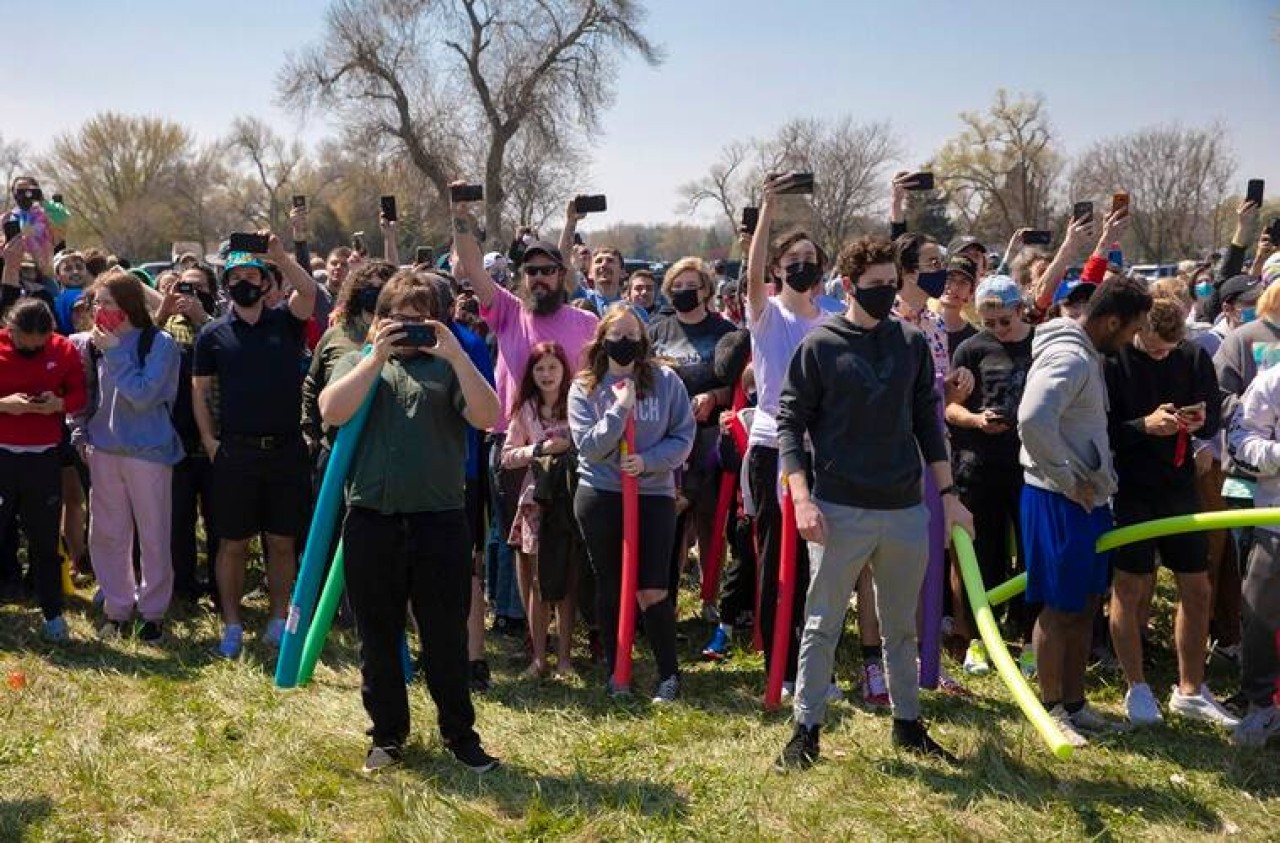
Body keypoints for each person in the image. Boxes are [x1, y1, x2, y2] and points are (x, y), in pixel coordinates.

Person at [775, 235, 973, 771]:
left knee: (901, 625)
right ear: (847, 287)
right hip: (838, 507)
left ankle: (908, 724)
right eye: (875, 286)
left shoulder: (909, 342)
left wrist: (949, 497)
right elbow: (790, 425)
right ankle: (805, 731)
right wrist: (801, 498)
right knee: (823, 623)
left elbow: (927, 425)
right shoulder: (820, 346)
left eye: (892, 284)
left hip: (905, 507)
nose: (887, 293)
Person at [319, 271, 501, 774]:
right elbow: (331, 411)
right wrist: (376, 356)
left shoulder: (448, 369)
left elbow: (488, 416)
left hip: (439, 521)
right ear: (378, 322)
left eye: (420, 319)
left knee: (445, 636)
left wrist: (458, 356)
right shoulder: (360, 361)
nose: (408, 329)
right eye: (397, 318)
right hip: (371, 519)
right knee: (377, 637)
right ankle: (387, 736)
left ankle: (460, 735)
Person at [1018, 275, 1153, 747]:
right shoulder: (1069, 356)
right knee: (1059, 607)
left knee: (1085, 604)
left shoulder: (1089, 354)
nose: (1133, 339)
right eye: (1132, 329)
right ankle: (1052, 707)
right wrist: (1066, 478)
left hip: (1087, 499)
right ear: (1112, 320)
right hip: (1058, 499)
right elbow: (1032, 419)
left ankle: (1075, 705)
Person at [1104, 295, 1236, 727]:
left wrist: (1199, 424)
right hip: (1131, 487)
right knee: (1131, 585)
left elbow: (1213, 414)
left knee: (1197, 588)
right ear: (1138, 329)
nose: (1163, 355)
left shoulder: (1192, 353)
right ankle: (1137, 688)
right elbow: (1102, 434)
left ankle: (1190, 689)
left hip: (1179, 484)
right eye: (1156, 348)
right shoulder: (1115, 358)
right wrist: (1145, 425)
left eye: (1170, 349)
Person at [192, 234, 318, 658]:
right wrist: (209, 440)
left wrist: (280, 256)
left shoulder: (288, 320)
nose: (244, 281)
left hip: (285, 450)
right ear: (225, 284)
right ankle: (231, 623)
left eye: (253, 274)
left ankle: (279, 618)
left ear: (267, 282)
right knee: (232, 543)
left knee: (282, 541)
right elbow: (200, 390)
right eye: (236, 275)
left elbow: (310, 292)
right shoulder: (212, 334)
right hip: (235, 453)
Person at [569, 306, 695, 702]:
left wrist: (648, 462)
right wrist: (619, 409)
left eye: (631, 336)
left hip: (653, 494)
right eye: (615, 335)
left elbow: (683, 436)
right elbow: (588, 447)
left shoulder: (666, 381)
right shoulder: (585, 387)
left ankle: (669, 674)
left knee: (651, 586)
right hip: (601, 493)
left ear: (643, 341)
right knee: (610, 585)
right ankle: (616, 673)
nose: (623, 343)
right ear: (602, 340)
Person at [744, 174, 832, 699]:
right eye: (791, 257)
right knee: (780, 559)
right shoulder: (767, 313)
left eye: (810, 257)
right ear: (779, 269)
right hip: (774, 446)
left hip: (824, 449)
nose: (802, 263)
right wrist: (768, 208)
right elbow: (752, 275)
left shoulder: (835, 317)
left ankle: (815, 659)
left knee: (821, 561)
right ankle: (781, 660)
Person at [70, 269, 183, 641]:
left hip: (148, 452)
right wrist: (81, 436)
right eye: (96, 302)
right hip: (102, 450)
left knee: (153, 535)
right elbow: (84, 396)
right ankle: (117, 608)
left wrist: (116, 353)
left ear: (129, 304)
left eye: (107, 302)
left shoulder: (158, 342)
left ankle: (153, 613)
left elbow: (143, 395)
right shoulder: (90, 344)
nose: (99, 309)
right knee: (106, 535)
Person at [946, 276, 1036, 678]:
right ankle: (980, 640)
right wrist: (978, 420)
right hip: (980, 462)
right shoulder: (971, 349)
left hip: (1031, 465)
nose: (998, 330)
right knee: (980, 556)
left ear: (1020, 309)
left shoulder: (1042, 343)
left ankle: (1033, 640)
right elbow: (949, 409)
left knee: (1035, 554)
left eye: (1004, 320)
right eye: (989, 322)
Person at [647, 257, 736, 618]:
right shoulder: (658, 329)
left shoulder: (725, 331)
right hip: (666, 439)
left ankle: (710, 597)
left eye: (692, 287)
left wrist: (714, 397)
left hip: (710, 438)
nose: (684, 293)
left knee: (710, 519)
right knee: (670, 521)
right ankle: (663, 598)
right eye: (677, 287)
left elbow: (740, 385)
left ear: (706, 290)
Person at [0, 296, 88, 639]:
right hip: (3, 454)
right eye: (25, 345)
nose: (32, 351)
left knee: (46, 539)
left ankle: (53, 615)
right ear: (11, 329)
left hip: (43, 457)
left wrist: (59, 403)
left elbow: (81, 394)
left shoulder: (63, 349)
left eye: (39, 346)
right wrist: (5, 404)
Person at [500, 342, 581, 679]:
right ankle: (539, 658)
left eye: (553, 367)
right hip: (536, 501)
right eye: (540, 369)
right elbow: (507, 455)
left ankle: (564, 659)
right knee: (536, 580)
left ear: (564, 370)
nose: (547, 375)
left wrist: (570, 446)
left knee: (567, 579)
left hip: (570, 498)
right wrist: (539, 449)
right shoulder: (526, 410)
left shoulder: (578, 404)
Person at [154, 265, 219, 604]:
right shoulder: (166, 324)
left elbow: (227, 350)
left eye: (197, 287)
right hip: (175, 436)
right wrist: (162, 311)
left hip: (214, 437)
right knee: (178, 519)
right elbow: (141, 348)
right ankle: (183, 587)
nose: (188, 293)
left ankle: (221, 586)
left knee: (218, 520)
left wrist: (202, 318)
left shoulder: (220, 320)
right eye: (183, 286)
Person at [1226, 365, 1280, 747]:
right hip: (1274, 520)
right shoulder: (1272, 381)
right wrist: (1277, 455)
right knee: (1259, 614)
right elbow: (1241, 438)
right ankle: (1263, 707)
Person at [939, 255, 978, 356]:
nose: (954, 287)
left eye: (963, 282)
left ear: (970, 292)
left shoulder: (975, 339)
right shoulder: (922, 326)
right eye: (949, 279)